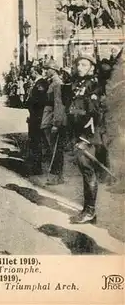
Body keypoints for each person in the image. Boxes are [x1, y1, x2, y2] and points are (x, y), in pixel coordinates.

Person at [68, 53, 102, 224]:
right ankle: (87, 209)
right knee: (84, 171)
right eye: (78, 64)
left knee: (88, 171)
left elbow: (94, 114)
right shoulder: (78, 83)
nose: (79, 67)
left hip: (88, 135)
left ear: (91, 68)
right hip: (78, 133)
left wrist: (86, 139)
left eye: (83, 65)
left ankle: (90, 211)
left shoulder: (93, 85)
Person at [41, 60, 67, 185]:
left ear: (54, 70)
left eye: (48, 69)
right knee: (53, 148)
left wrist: (56, 123)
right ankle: (57, 176)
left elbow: (58, 104)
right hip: (48, 115)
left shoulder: (57, 83)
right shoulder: (51, 82)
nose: (45, 71)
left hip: (52, 117)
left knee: (55, 148)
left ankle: (57, 177)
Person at [26, 66, 48, 175]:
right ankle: (35, 165)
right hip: (34, 116)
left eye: (31, 72)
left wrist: (35, 114)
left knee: (37, 141)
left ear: (35, 72)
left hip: (38, 117)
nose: (30, 74)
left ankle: (37, 167)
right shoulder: (37, 82)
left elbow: (40, 101)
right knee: (34, 141)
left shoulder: (41, 83)